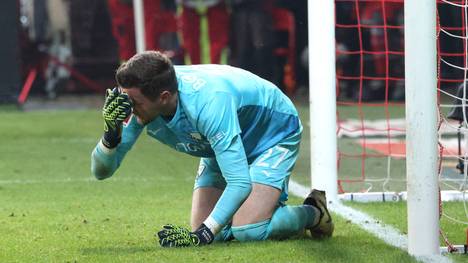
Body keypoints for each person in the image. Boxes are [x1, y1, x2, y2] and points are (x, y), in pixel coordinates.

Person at [90, 51, 333, 247]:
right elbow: (101, 172)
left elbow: (239, 183)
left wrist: (204, 234)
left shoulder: (207, 103)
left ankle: (313, 211)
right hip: (220, 143)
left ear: (163, 97)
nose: (127, 108)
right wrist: (110, 137)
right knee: (211, 229)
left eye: (133, 103)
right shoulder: (139, 104)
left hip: (272, 132)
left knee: (248, 229)